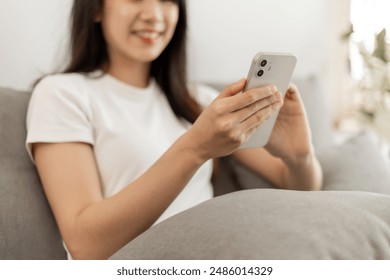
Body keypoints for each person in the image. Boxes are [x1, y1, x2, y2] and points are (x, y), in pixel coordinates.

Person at [26, 0, 322, 260]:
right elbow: (87, 247)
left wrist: (300, 156)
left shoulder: (198, 101)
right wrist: (195, 148)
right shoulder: (62, 94)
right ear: (96, 8)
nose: (154, 15)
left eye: (168, 0)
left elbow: (300, 188)